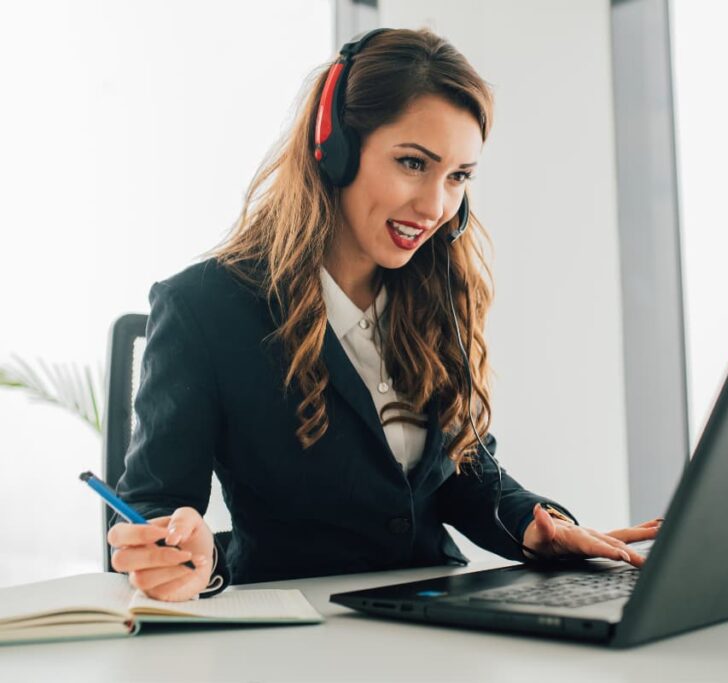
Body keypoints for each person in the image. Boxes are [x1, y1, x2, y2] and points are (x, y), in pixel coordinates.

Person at [109, 28, 659, 602]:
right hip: (292, 629)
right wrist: (176, 549)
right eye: (413, 163)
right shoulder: (205, 307)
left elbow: (459, 472)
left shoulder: (436, 287)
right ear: (335, 149)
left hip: (433, 613)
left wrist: (537, 527)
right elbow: (152, 504)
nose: (436, 207)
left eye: (458, 177)